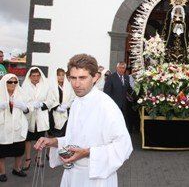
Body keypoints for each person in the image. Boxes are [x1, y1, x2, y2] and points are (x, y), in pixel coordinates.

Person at [34, 54, 133, 187]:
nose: (76, 84)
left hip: (96, 177)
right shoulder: (77, 102)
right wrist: (53, 142)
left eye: (82, 78)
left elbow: (124, 146)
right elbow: (74, 140)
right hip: (72, 174)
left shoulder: (106, 106)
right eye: (73, 78)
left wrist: (87, 152)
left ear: (95, 78)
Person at [0, 74, 29, 182]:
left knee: (19, 150)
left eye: (15, 82)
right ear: (4, 82)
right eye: (10, 82)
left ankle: (17, 168)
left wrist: (23, 107)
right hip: (3, 128)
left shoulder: (21, 93)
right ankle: (2, 172)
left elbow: (28, 109)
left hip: (18, 127)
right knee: (1, 151)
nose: (13, 84)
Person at [22, 67, 51, 169]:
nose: (36, 78)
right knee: (28, 139)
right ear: (29, 77)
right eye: (33, 76)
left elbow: (51, 100)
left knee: (41, 138)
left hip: (41, 116)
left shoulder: (45, 86)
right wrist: (31, 105)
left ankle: (38, 158)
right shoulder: (24, 87)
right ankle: (28, 159)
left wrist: (42, 104)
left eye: (38, 76)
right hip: (29, 116)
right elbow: (22, 102)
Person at [104, 62, 135, 132]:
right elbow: (106, 92)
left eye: (123, 68)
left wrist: (137, 96)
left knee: (122, 123)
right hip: (114, 105)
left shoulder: (126, 77)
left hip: (124, 106)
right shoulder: (111, 77)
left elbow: (129, 89)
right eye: (120, 68)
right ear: (117, 68)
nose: (121, 69)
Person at [47, 68, 75, 138]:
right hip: (54, 112)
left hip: (66, 112)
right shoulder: (51, 87)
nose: (61, 77)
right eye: (59, 75)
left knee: (65, 134)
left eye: (63, 75)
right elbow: (50, 98)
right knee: (53, 135)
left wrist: (67, 105)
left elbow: (73, 97)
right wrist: (57, 107)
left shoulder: (69, 86)